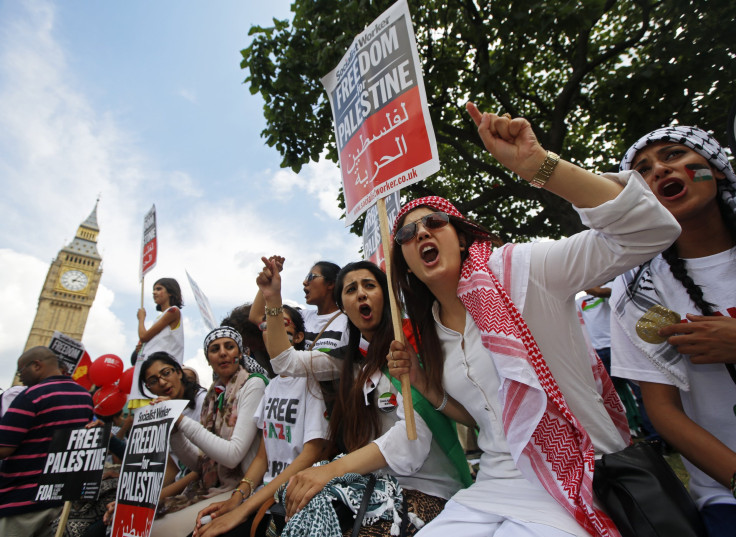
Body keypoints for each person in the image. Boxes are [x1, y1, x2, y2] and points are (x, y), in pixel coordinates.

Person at [387, 104, 681, 537]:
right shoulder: (430, 329)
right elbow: (489, 421)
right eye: (408, 235)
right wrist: (426, 385)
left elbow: (650, 229)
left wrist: (541, 167)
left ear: (463, 236)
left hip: (573, 477)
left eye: (435, 222)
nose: (422, 234)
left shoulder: (520, 269)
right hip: (491, 486)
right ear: (407, 264)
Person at [256, 258, 468, 536]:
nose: (361, 294)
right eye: (351, 289)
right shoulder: (347, 362)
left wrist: (332, 470)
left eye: (370, 285)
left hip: (428, 488)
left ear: (387, 297)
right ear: (344, 307)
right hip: (368, 486)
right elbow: (285, 363)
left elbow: (410, 439)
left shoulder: (413, 347)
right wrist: (272, 298)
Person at [610, 125, 736, 537]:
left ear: (715, 169)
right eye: (644, 171)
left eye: (675, 155)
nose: (661, 169)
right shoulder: (639, 292)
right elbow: (663, 411)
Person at [193, 305, 328, 537]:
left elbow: (311, 454)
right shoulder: (271, 387)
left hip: (294, 500)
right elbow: (262, 458)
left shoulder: (312, 381)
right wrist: (238, 498)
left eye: (281, 323)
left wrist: (245, 508)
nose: (271, 329)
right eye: (265, 325)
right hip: (263, 497)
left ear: (298, 337)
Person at [146, 327, 268, 537]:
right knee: (148, 523)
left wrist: (182, 421)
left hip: (242, 488)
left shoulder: (253, 384)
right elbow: (200, 465)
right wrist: (174, 431)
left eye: (229, 347)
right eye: (214, 349)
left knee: (159, 531)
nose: (223, 353)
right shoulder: (214, 396)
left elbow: (232, 456)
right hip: (213, 486)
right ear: (208, 359)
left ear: (239, 353)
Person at [0, 347, 94, 537]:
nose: (21, 378)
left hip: (21, 502)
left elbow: (4, 448)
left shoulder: (31, 396)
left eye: (21, 371)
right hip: (60, 500)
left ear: (36, 365)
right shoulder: (84, 397)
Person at [249, 257, 350, 355]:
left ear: (330, 284)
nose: (305, 282)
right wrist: (267, 288)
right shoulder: (300, 317)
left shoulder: (349, 322)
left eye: (311, 277)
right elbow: (257, 316)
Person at [129, 277, 185, 407]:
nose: (154, 292)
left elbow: (144, 336)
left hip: (159, 379)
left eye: (159, 289)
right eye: (153, 289)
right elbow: (147, 341)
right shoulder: (160, 317)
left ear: (170, 292)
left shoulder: (173, 311)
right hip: (145, 376)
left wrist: (141, 319)